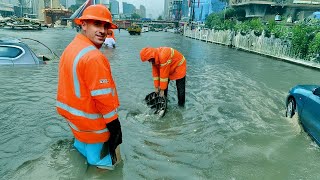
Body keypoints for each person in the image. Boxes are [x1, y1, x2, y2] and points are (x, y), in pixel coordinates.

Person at [56, 4, 122, 170]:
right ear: (83, 24)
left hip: (77, 126)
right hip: (95, 130)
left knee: (82, 157)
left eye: (106, 26)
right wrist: (115, 129)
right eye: (97, 24)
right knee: (109, 169)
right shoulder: (94, 57)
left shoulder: (71, 49)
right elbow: (104, 97)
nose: (102, 30)